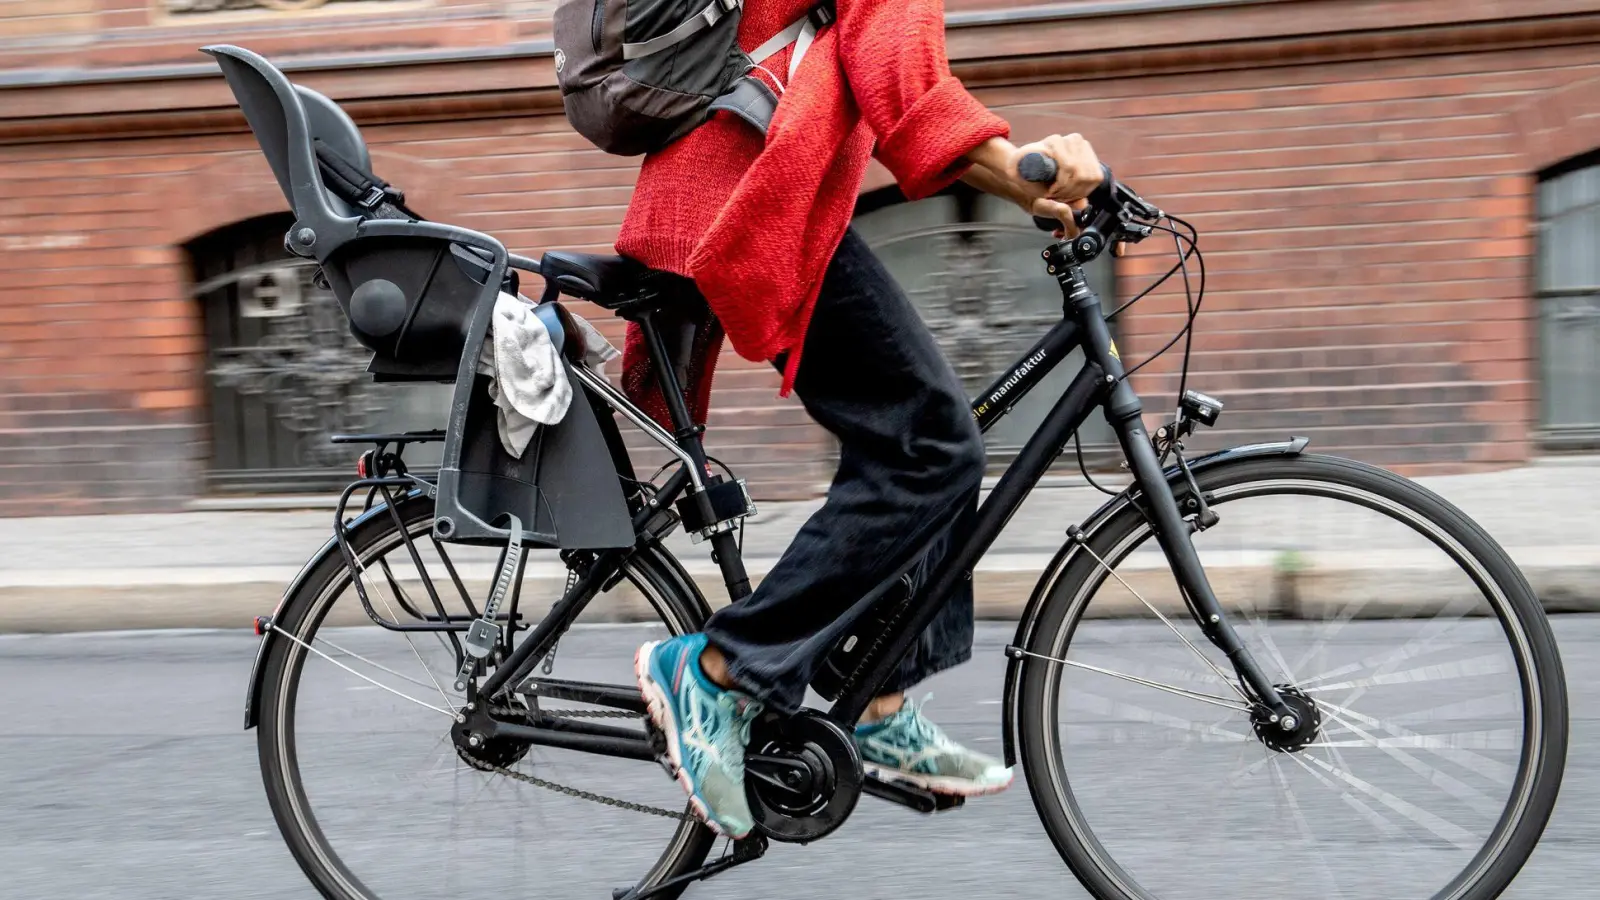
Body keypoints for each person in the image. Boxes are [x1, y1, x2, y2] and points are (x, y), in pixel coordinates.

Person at [617, 0, 1105, 838]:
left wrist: (1018, 178)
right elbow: (900, 82)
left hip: (751, 189)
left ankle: (877, 700)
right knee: (933, 446)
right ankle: (716, 668)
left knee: (925, 441)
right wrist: (1024, 164)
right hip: (751, 196)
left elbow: (885, 83)